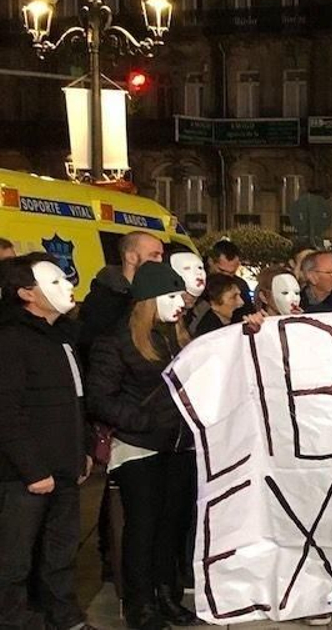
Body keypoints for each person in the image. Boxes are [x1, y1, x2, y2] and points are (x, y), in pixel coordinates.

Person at [86, 262, 200, 630]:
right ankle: (141, 605)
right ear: (149, 299)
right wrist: (144, 422)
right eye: (171, 295)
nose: (180, 303)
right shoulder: (116, 341)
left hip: (178, 446)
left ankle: (167, 595)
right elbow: (100, 398)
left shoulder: (177, 336)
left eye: (180, 295)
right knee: (143, 527)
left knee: (171, 526)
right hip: (139, 449)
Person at [0, 254, 91, 630]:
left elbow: (77, 398)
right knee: (14, 558)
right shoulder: (11, 339)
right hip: (25, 477)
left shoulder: (63, 337)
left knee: (61, 552)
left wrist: (82, 451)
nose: (68, 285)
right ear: (26, 293)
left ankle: (63, 616)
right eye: (53, 282)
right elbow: (6, 411)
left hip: (64, 467)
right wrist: (32, 469)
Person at [79, 230, 165, 351]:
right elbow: (92, 345)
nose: (160, 261)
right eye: (154, 255)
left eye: (161, 255)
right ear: (131, 257)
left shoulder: (156, 296)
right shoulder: (103, 301)